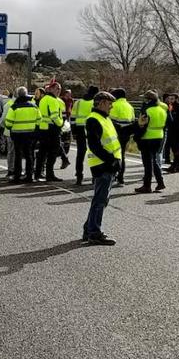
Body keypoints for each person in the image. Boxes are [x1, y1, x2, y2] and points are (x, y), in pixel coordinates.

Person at [82, 92, 120, 246]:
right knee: (100, 201)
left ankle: (88, 230)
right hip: (102, 165)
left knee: (100, 200)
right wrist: (111, 160)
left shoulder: (105, 118)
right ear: (102, 103)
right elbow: (95, 145)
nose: (111, 107)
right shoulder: (94, 119)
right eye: (109, 103)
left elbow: (119, 134)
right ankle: (94, 233)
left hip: (107, 165)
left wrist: (139, 125)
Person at [133, 90, 167, 193]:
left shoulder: (147, 111)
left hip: (147, 138)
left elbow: (142, 126)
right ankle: (160, 182)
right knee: (154, 161)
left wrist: (137, 137)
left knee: (147, 163)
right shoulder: (161, 110)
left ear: (148, 100)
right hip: (159, 137)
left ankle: (147, 186)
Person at [3, 86, 39, 183]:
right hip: (30, 134)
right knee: (29, 155)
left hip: (17, 135)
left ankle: (17, 176)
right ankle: (29, 175)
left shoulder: (14, 107)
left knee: (18, 155)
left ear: (17, 95)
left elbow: (8, 123)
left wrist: (11, 127)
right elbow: (39, 120)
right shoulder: (34, 106)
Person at [35, 81, 65, 181]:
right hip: (52, 129)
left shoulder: (43, 99)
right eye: (57, 88)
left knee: (42, 152)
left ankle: (38, 173)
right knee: (53, 153)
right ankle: (49, 174)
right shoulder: (53, 100)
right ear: (51, 89)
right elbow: (55, 116)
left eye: (60, 89)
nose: (59, 91)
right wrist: (61, 123)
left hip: (43, 128)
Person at [70, 85, 97, 186]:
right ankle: (94, 177)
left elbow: (72, 118)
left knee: (80, 154)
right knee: (93, 153)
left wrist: (73, 132)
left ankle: (79, 176)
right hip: (92, 130)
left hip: (79, 129)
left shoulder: (78, 102)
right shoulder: (95, 103)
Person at [108, 88, 136, 187]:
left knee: (112, 156)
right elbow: (133, 121)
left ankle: (112, 175)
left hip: (115, 135)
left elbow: (109, 121)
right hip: (126, 135)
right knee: (122, 155)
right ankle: (121, 178)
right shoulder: (130, 106)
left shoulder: (114, 105)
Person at [163, 93, 179, 173]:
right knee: (174, 150)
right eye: (169, 98)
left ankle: (176, 166)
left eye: (172, 99)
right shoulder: (170, 107)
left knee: (176, 149)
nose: (170, 100)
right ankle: (176, 166)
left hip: (178, 133)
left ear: (176, 99)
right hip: (171, 132)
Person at [58, 87, 74, 169]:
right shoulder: (61, 100)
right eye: (68, 93)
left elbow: (71, 108)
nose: (69, 95)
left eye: (70, 93)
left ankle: (64, 156)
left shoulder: (71, 100)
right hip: (62, 119)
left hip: (68, 119)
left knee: (66, 138)